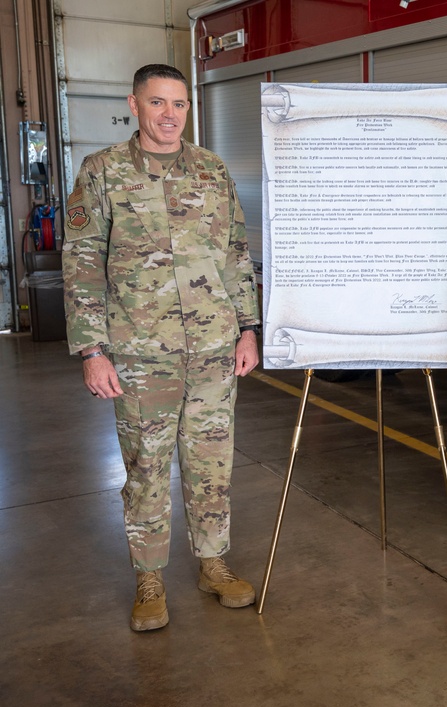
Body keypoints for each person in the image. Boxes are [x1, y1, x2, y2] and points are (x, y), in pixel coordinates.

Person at [62, 63, 261, 632]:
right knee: (147, 466)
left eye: (178, 104)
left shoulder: (211, 169)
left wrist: (248, 328)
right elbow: (80, 264)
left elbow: (233, 252)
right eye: (158, 103)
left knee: (211, 462)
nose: (170, 114)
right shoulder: (102, 172)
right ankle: (149, 576)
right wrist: (92, 350)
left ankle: (213, 563)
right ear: (135, 104)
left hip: (214, 346)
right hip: (140, 352)